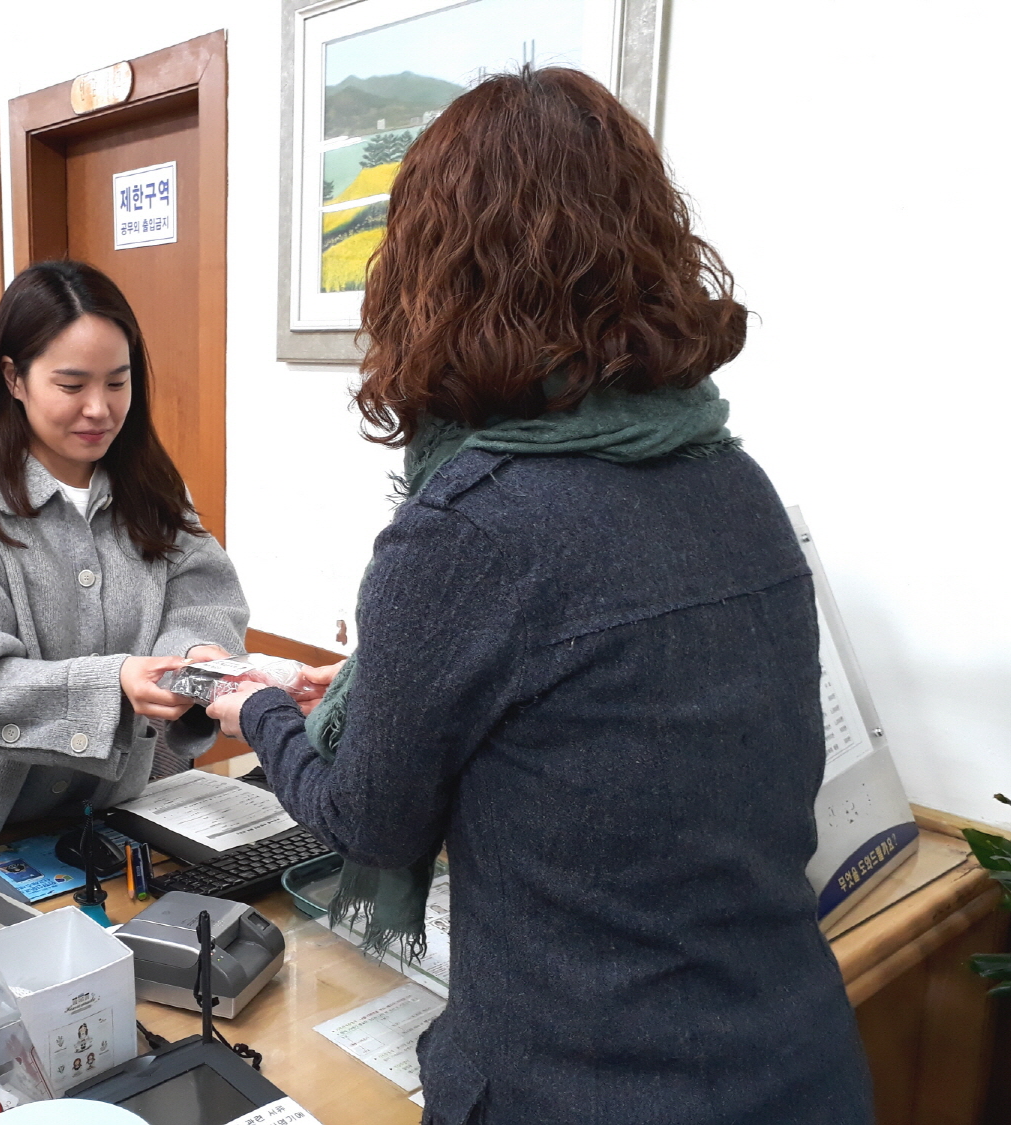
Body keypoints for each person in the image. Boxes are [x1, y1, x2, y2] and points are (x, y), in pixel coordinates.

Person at [208, 68, 873, 1125]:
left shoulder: (471, 526)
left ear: (431, 271)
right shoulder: (731, 476)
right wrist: (392, 697)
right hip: (794, 1061)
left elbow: (369, 820)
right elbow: (603, 727)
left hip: (583, 1082)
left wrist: (255, 710)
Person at [0, 260, 247, 850]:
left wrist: (191, 658)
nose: (99, 409)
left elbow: (201, 596)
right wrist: (114, 684)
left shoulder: (152, 487)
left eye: (117, 383)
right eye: (71, 385)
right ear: (14, 378)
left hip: (122, 812)